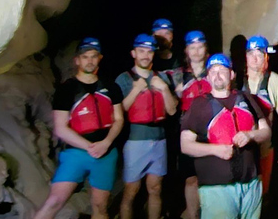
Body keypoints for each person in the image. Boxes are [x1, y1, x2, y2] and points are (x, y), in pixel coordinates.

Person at [34, 38, 124, 219]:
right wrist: (90, 147)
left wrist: (105, 143)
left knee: (100, 206)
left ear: (100, 58)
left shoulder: (111, 87)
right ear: (77, 60)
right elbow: (61, 128)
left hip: (106, 153)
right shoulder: (66, 89)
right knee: (55, 201)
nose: (89, 61)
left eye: (93, 56)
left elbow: (119, 118)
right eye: (85, 57)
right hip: (77, 152)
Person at [180, 53, 271, 219]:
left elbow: (266, 131)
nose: (217, 75)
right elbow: (185, 145)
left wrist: (250, 135)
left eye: (222, 70)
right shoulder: (199, 105)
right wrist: (216, 150)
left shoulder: (246, 99)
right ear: (207, 77)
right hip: (216, 188)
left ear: (232, 74)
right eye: (213, 71)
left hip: (250, 184)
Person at [116, 34, 179, 219]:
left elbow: (172, 110)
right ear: (133, 53)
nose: (145, 55)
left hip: (159, 141)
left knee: (155, 188)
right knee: (131, 190)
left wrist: (165, 89)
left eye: (149, 51)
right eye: (141, 51)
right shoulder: (124, 79)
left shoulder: (161, 78)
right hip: (135, 141)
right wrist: (136, 90)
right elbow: (120, 111)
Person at [242, 35, 278, 193]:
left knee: (263, 192)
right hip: (242, 149)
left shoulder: (274, 81)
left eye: (259, 54)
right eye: (251, 54)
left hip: (265, 148)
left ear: (266, 57)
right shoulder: (237, 81)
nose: (255, 59)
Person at [175, 30, 213, 219]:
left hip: (211, 131)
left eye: (200, 47)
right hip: (188, 131)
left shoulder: (215, 71)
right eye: (192, 48)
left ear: (206, 49)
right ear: (187, 50)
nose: (196, 52)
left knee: (209, 179)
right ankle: (192, 215)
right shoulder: (178, 75)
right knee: (190, 179)